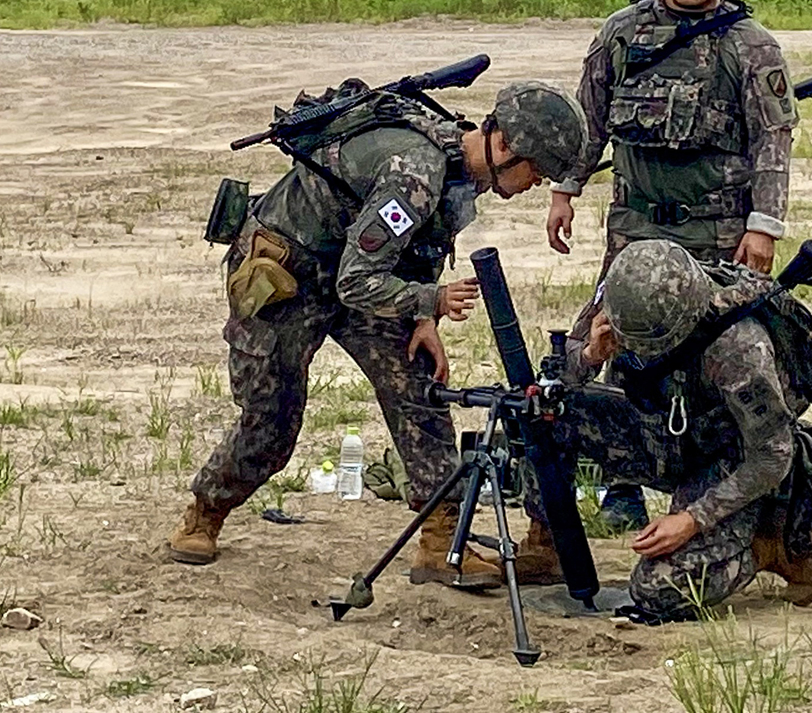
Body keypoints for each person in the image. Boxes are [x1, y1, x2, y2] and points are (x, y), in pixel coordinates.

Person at [168, 80, 586, 592]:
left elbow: (422, 244)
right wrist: (431, 301)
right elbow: (355, 281)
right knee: (271, 423)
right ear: (504, 146)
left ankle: (441, 541)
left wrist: (423, 321)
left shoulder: (461, 169)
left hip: (363, 273)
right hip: (288, 276)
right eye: (536, 170)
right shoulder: (415, 174)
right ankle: (204, 513)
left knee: (419, 387)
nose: (535, 184)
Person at [545, 0, 799, 530]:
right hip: (634, 226)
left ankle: (721, 480)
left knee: (710, 353)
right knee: (608, 341)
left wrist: (763, 226)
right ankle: (619, 482)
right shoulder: (621, 34)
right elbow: (589, 120)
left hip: (715, 232)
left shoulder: (750, 46)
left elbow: (772, 141)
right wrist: (565, 190)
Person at [512, 239, 812, 618]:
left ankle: (768, 546)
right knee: (545, 415)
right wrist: (588, 358)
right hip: (661, 430)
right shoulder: (622, 298)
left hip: (726, 457)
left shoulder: (738, 347)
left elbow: (771, 456)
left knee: (657, 590)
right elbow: (554, 383)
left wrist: (692, 519)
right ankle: (546, 542)